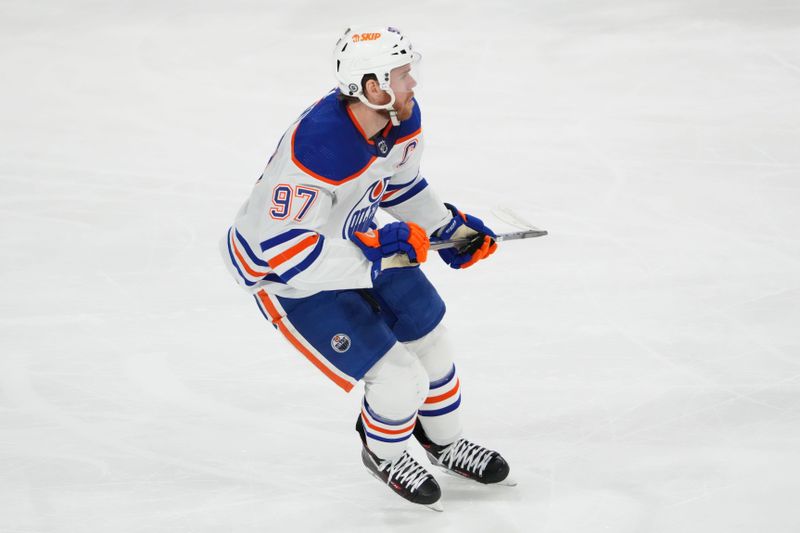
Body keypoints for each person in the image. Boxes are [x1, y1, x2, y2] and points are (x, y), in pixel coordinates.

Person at [221, 25, 514, 511]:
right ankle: (385, 452)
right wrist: (382, 255)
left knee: (433, 342)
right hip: (288, 276)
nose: (412, 84)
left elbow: (399, 186)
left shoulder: (397, 118)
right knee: (399, 378)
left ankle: (444, 442)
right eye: (402, 75)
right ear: (372, 86)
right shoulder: (316, 150)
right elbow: (284, 254)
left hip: (357, 246)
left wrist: (448, 230)